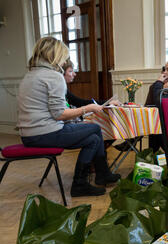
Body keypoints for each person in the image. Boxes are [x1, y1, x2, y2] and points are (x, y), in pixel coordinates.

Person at [16, 37, 120, 197]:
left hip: (28, 135)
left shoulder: (30, 75)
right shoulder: (53, 76)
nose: (65, 60)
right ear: (55, 56)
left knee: (92, 139)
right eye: (64, 56)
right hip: (45, 134)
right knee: (95, 128)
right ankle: (97, 176)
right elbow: (59, 115)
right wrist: (88, 109)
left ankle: (86, 182)